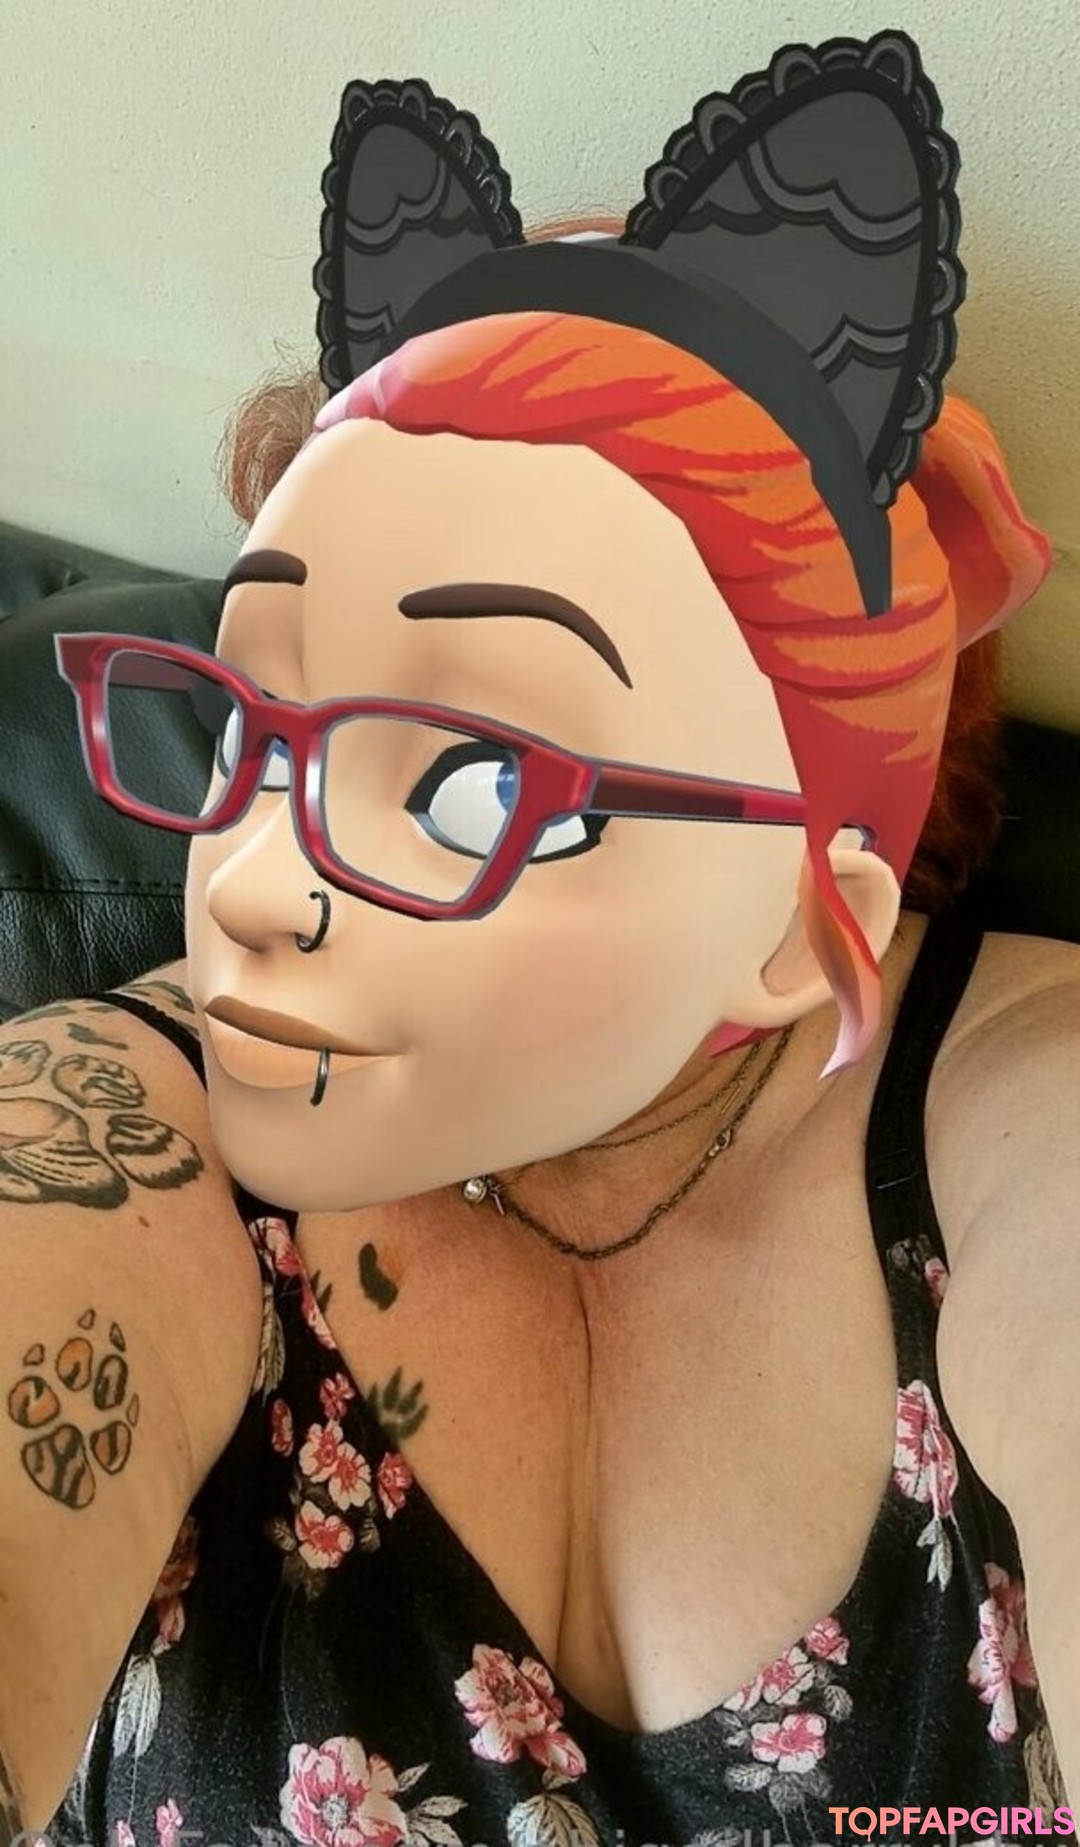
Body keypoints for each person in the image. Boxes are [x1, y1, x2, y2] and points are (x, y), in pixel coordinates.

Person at [3, 34, 1079, 1847]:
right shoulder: (140, 1118)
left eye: (475, 782)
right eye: (261, 731)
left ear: (803, 922)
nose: (249, 884)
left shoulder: (1024, 1121)